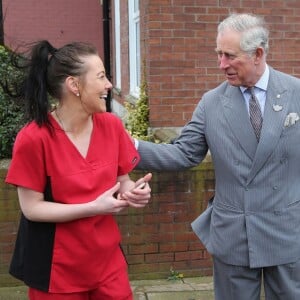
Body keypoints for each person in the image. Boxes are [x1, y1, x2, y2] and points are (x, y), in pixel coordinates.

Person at [135, 13, 300, 300]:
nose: (221, 64)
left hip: (287, 229)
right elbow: (184, 153)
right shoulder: (212, 102)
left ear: (258, 53)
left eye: (229, 56)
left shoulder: (295, 93)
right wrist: (127, 147)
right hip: (234, 233)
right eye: (219, 54)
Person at [5, 40, 152, 300]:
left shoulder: (111, 126)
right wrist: (93, 207)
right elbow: (32, 209)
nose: (109, 85)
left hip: (108, 264)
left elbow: (122, 180)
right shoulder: (34, 139)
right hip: (55, 271)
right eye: (101, 77)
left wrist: (134, 191)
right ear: (74, 85)